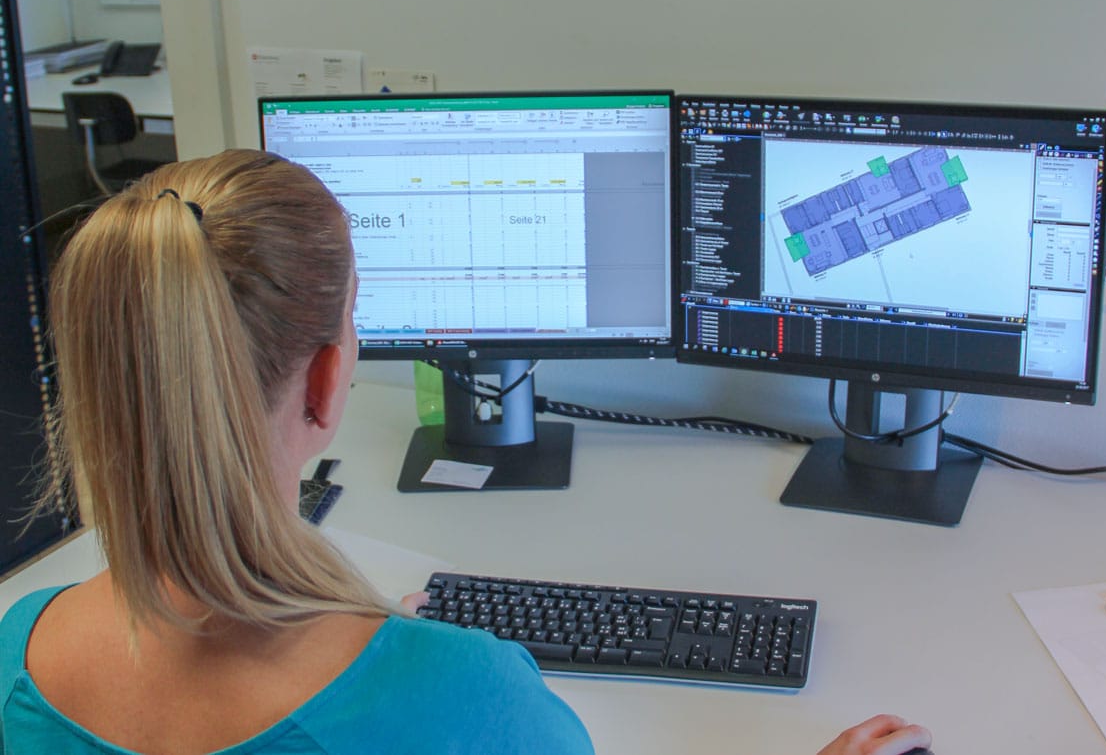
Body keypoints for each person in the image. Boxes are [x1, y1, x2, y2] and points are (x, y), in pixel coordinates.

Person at [0, 150, 932, 755]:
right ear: (328, 382)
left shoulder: (17, 647)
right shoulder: (467, 703)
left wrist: (375, 641)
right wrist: (413, 668)